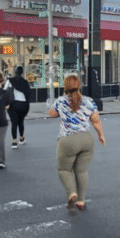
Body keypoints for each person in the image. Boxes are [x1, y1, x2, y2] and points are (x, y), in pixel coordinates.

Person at [48, 74, 106, 211]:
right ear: (79, 86)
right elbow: (96, 120)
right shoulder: (89, 101)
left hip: (68, 140)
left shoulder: (61, 101)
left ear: (65, 87)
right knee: (81, 171)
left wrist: (62, 98)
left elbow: (52, 113)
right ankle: (81, 200)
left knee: (63, 169)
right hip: (87, 139)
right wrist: (101, 135)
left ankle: (71, 192)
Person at [5, 65, 32, 149]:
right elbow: (28, 94)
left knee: (14, 123)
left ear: (15, 72)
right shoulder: (25, 82)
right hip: (23, 105)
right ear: (22, 73)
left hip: (12, 105)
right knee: (21, 121)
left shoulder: (9, 81)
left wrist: (6, 103)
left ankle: (14, 141)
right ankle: (21, 138)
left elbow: (5, 92)